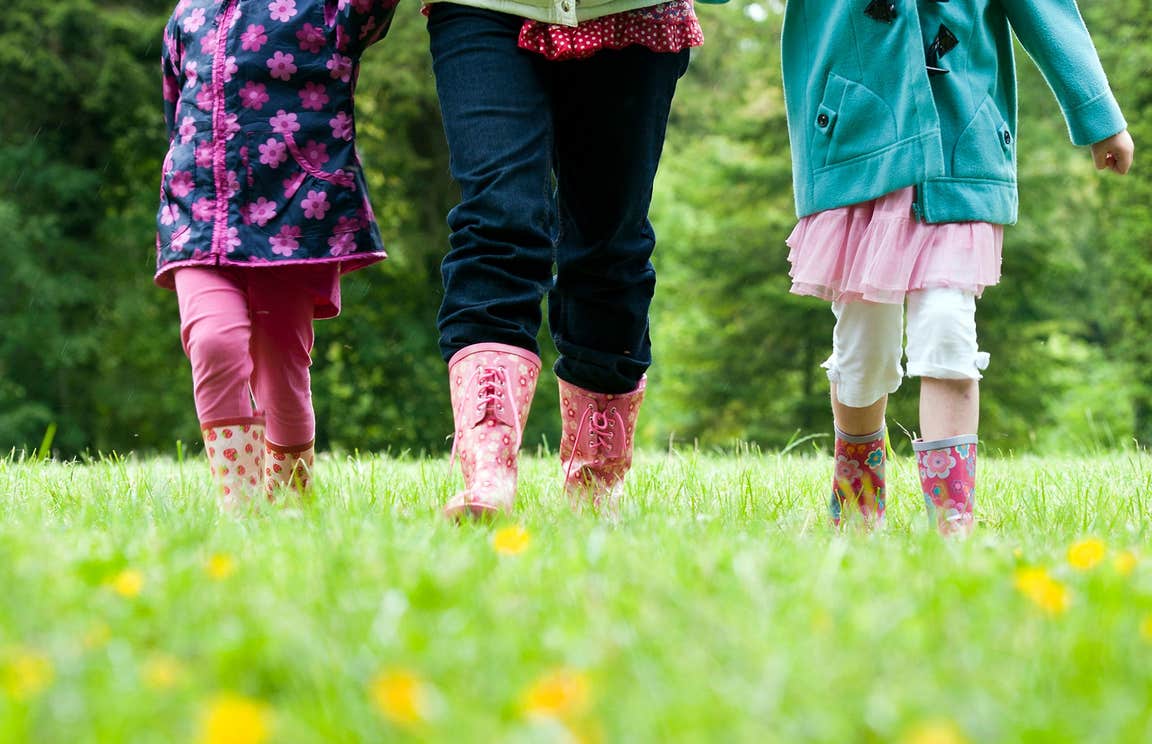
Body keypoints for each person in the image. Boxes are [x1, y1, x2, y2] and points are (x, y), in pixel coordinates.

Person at [781, 0, 1134, 535]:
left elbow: (1046, 10)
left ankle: (952, 529)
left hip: (960, 149)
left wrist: (1097, 113)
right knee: (863, 350)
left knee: (947, 332)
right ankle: (856, 509)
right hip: (857, 143)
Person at [424, 0, 721, 518]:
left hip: (630, 10)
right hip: (483, 7)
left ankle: (596, 479)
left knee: (609, 243)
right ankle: (486, 462)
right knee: (496, 219)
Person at [156, 0, 397, 509]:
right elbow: (176, 115)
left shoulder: (330, 9)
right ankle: (240, 509)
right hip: (200, 216)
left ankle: (289, 505)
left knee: (282, 369)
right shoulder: (188, 15)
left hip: (295, 214)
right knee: (215, 342)